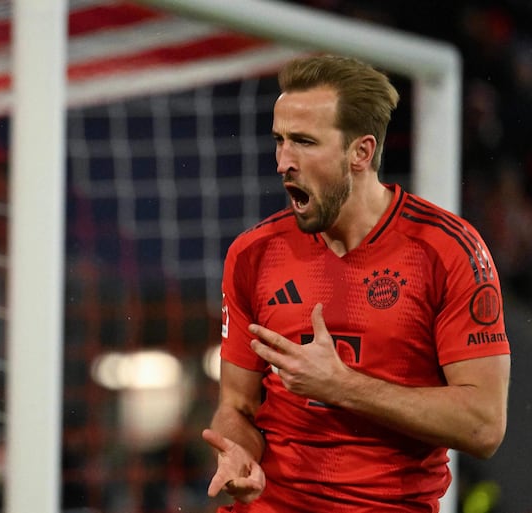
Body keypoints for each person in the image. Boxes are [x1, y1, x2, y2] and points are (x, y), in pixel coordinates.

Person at [202, 54, 511, 512]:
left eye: (304, 142)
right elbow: (237, 407)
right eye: (280, 141)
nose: (283, 162)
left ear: (361, 152)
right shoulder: (253, 254)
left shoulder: (447, 251)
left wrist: (342, 385)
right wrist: (239, 452)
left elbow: (484, 427)